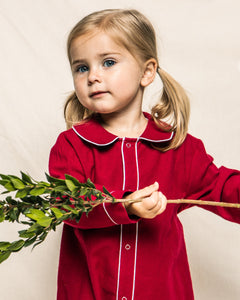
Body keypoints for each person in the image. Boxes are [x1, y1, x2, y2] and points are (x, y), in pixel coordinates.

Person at [49, 8, 240, 300]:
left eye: (108, 62)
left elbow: (223, 189)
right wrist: (124, 206)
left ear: (147, 71)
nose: (93, 76)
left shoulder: (178, 148)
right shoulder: (71, 145)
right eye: (81, 67)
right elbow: (68, 204)